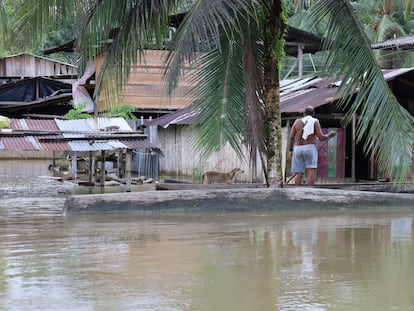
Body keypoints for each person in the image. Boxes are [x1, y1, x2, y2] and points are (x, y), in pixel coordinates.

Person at [289, 106, 336, 186]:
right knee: (310, 173)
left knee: (298, 173)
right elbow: (321, 137)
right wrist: (329, 135)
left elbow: (292, 137)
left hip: (298, 149)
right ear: (313, 114)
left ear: (304, 113)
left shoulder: (297, 122)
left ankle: (296, 194)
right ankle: (310, 194)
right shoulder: (315, 121)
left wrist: (290, 150)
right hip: (309, 148)